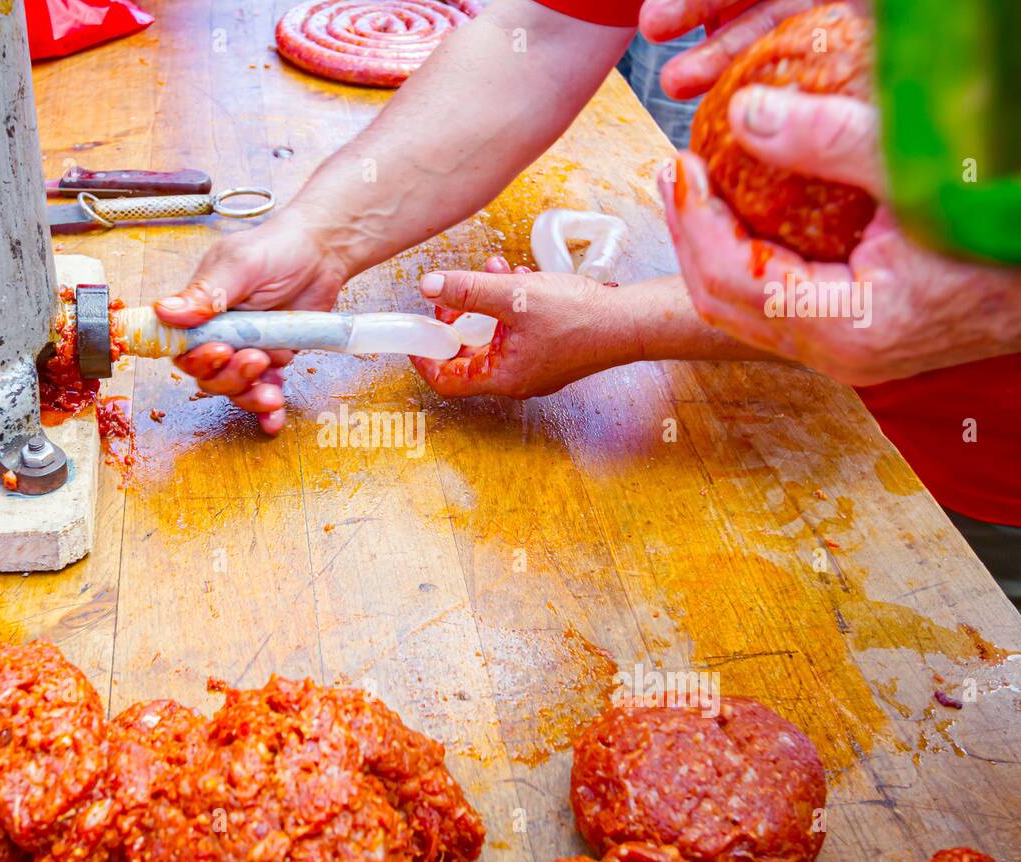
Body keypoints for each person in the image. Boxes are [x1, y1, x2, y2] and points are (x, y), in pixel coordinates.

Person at [157, 0, 1021, 603]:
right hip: (752, 445)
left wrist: (621, 322)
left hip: (982, 473)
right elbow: (548, 27)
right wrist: (319, 236)